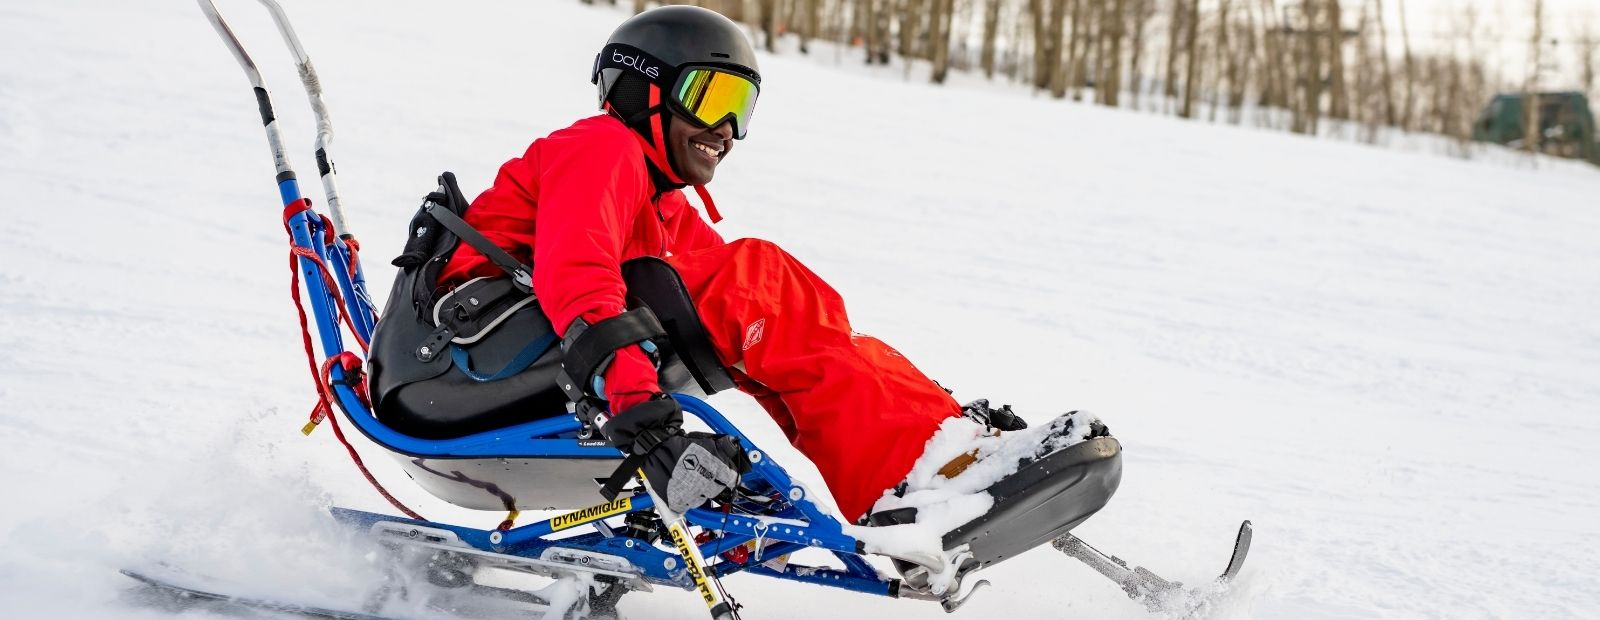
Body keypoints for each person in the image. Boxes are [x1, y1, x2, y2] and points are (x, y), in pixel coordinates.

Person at [438, 6, 1054, 524]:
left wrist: (929, 403)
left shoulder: (660, 203)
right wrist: (635, 403)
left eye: (743, 107)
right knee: (754, 284)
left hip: (513, 365)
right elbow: (577, 272)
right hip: (471, 359)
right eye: (710, 98)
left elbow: (802, 338)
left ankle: (939, 448)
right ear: (642, 90)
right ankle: (925, 471)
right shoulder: (602, 147)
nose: (727, 129)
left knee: (785, 315)